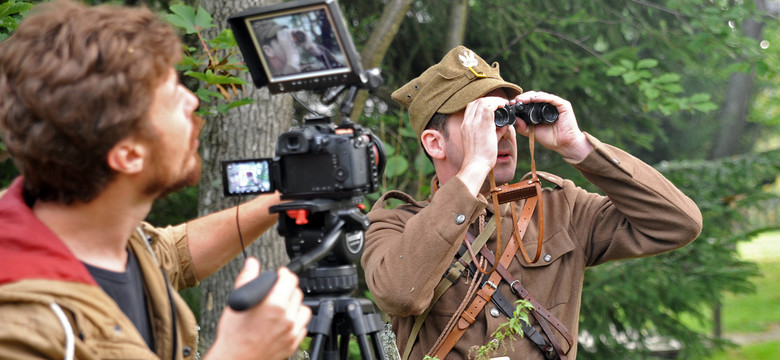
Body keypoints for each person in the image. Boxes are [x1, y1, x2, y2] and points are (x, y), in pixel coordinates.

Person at [0, 1, 311, 359]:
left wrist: (277, 201)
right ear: (129, 154)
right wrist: (238, 352)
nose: (192, 101)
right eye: (172, 96)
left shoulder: (113, 240)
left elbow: (172, 253)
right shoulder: (19, 324)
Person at [361, 45, 703, 359]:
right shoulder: (396, 224)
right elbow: (399, 293)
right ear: (435, 143)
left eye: (506, 115)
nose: (503, 130)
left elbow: (677, 224)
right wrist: (477, 165)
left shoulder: (561, 208)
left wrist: (578, 147)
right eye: (479, 118)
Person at [253, 19, 344, 77]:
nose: (289, 41)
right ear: (268, 51)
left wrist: (314, 49)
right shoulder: (265, 73)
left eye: (286, 35)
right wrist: (292, 58)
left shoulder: (304, 68)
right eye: (281, 39)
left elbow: (341, 72)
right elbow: (282, 84)